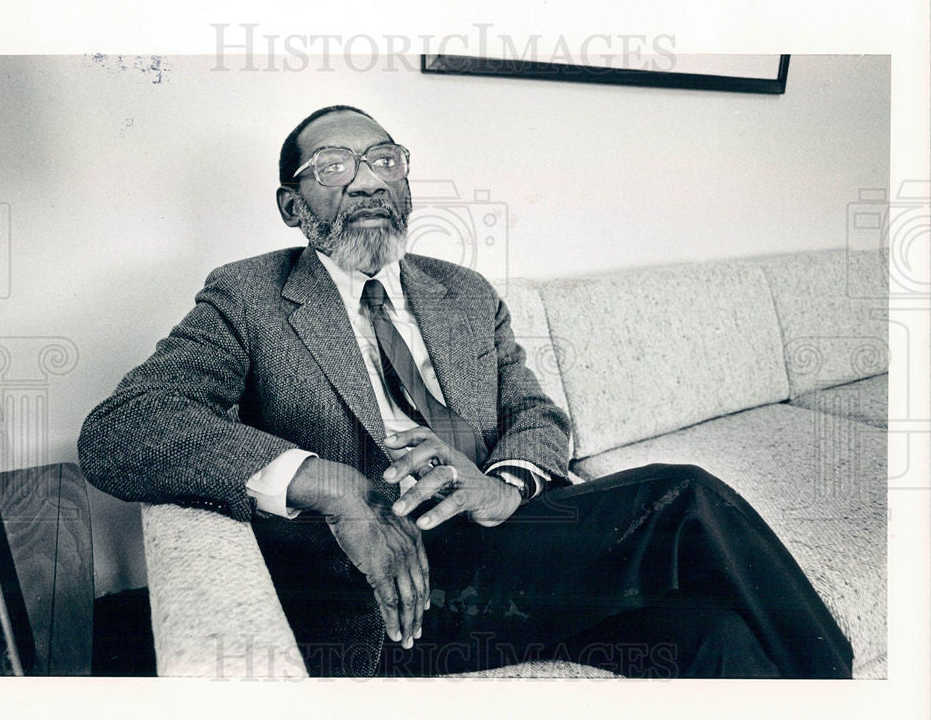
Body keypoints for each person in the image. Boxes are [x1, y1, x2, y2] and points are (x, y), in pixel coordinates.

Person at [77, 105, 852, 679]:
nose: (368, 181)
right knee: (681, 497)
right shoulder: (249, 295)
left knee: (718, 636)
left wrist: (503, 486)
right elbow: (124, 429)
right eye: (335, 167)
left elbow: (538, 413)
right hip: (395, 589)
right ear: (293, 206)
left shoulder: (463, 292)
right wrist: (337, 488)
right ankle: (856, 711)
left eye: (385, 159)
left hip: (520, 548)